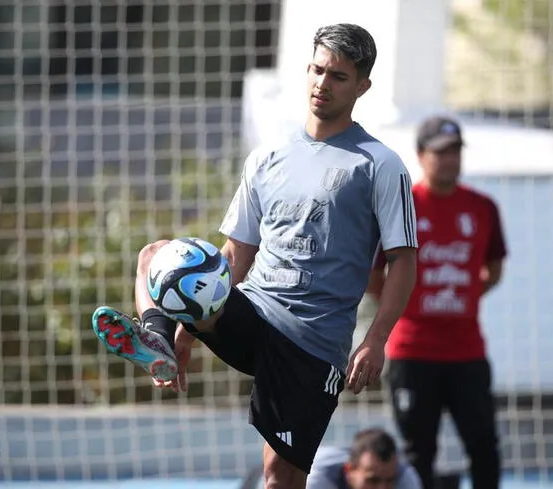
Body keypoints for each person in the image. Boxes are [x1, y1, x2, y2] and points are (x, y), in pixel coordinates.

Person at [92, 23, 418, 489]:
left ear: (362, 86)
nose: (322, 84)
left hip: (312, 343)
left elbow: (404, 260)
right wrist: (187, 328)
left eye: (339, 77)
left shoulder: (379, 164)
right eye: (317, 70)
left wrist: (376, 339)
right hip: (253, 311)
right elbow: (235, 253)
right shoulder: (269, 155)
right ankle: (157, 338)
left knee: (279, 476)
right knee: (158, 256)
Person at [368, 116, 507, 489]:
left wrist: (457, 298)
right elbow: (372, 276)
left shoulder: (483, 208)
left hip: (467, 351)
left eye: (455, 151)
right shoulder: (403, 206)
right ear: (421, 155)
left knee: (485, 446)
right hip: (413, 352)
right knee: (418, 452)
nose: (449, 160)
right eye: (441, 152)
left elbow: (493, 269)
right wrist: (404, 305)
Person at [306, 428, 423, 489]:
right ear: (349, 471)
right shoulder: (317, 476)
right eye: (373, 480)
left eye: (390, 481)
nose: (382, 488)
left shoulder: (406, 477)